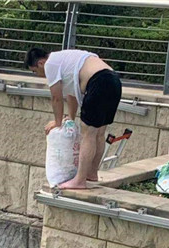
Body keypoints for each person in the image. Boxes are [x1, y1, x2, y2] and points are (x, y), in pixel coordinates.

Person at [24, 47, 122, 190]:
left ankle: (80, 180)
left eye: (35, 71)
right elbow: (72, 94)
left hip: (98, 81)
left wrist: (57, 123)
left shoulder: (50, 64)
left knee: (88, 134)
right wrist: (70, 117)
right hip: (114, 80)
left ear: (40, 63)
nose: (38, 75)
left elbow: (56, 98)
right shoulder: (65, 60)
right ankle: (92, 173)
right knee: (99, 133)